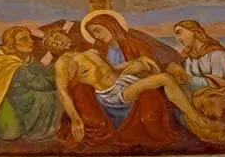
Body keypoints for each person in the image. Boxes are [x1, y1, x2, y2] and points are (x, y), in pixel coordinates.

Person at [44, 30, 221, 143]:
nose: (59, 41)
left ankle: (192, 115)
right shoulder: (63, 63)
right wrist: (75, 118)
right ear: (52, 48)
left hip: (123, 82)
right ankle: (196, 118)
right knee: (165, 78)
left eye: (59, 37)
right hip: (113, 94)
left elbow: (113, 70)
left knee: (155, 71)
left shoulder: (91, 52)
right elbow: (63, 93)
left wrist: (137, 62)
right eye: (54, 42)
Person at [77, 10, 181, 147]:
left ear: (111, 25)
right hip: (108, 94)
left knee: (150, 95)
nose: (97, 36)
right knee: (80, 90)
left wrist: (141, 67)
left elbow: (154, 70)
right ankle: (99, 131)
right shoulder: (98, 50)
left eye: (98, 30)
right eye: (93, 34)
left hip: (132, 90)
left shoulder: (136, 44)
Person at [0, 28, 60, 142]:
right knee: (50, 97)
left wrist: (56, 67)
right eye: (24, 39)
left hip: (21, 97)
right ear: (11, 44)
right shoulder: (10, 63)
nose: (31, 41)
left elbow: (40, 72)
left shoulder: (25, 58)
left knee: (48, 95)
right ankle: (39, 132)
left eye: (30, 38)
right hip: (8, 104)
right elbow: (37, 83)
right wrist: (60, 79)